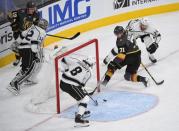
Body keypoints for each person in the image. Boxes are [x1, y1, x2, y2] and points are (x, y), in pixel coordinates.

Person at [7, 18, 48, 95]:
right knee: (28, 69)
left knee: (25, 67)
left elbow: (22, 35)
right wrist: (35, 53)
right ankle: (15, 84)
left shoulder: (32, 27)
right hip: (28, 49)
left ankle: (19, 81)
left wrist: (15, 44)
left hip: (21, 49)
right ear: (44, 26)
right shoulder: (42, 32)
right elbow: (34, 42)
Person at [60, 56, 94, 125]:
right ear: (90, 65)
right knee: (85, 99)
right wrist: (83, 91)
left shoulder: (77, 60)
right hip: (71, 85)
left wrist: (66, 69)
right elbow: (81, 85)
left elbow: (63, 59)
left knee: (80, 97)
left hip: (62, 83)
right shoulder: (89, 72)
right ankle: (78, 118)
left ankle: (81, 112)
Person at [7, 1, 40, 66]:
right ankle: (18, 58)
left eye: (34, 8)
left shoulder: (36, 14)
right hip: (18, 33)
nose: (33, 10)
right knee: (18, 47)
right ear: (27, 9)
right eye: (31, 9)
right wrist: (13, 22)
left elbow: (36, 24)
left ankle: (34, 56)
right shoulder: (20, 12)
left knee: (31, 45)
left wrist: (36, 30)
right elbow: (9, 15)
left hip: (28, 33)